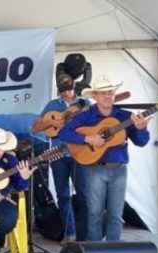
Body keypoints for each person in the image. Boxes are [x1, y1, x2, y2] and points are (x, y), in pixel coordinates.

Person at [57, 77, 150, 242]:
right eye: (103, 93)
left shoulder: (125, 116)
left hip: (119, 169)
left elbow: (141, 142)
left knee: (116, 215)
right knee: (94, 213)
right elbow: (63, 133)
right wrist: (88, 139)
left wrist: (142, 129)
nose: (108, 96)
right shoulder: (86, 115)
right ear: (95, 96)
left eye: (111, 92)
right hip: (94, 169)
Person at [32, 74, 89, 244]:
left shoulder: (84, 104)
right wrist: (52, 124)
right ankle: (69, 233)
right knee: (62, 195)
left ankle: (85, 235)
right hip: (58, 154)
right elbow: (35, 127)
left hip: (80, 153)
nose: (66, 93)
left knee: (83, 194)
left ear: (74, 88)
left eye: (69, 89)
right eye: (63, 89)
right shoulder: (53, 105)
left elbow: (93, 124)